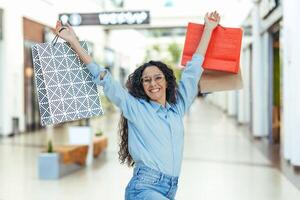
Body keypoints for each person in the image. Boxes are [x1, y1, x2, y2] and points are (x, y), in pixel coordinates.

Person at [56, 11, 220, 200]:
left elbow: (192, 72)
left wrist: (208, 28)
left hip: (170, 188)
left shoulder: (177, 109)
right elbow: (105, 79)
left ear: (167, 81)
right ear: (141, 85)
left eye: (158, 78)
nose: (153, 84)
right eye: (146, 80)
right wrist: (73, 41)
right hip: (144, 189)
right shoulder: (136, 108)